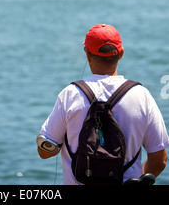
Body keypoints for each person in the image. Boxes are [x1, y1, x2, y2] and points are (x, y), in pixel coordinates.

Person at [37, 24, 169, 185]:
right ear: (121, 54)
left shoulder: (70, 94)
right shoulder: (141, 95)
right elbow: (159, 160)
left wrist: (42, 138)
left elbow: (45, 152)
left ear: (88, 55)